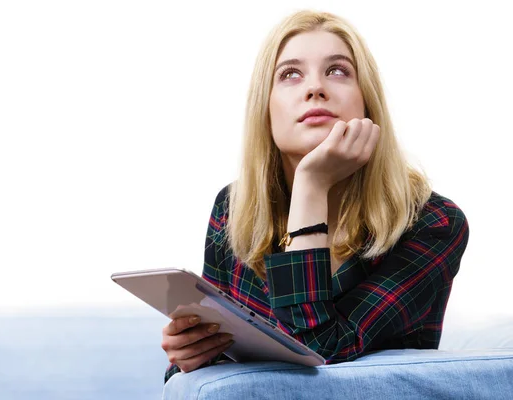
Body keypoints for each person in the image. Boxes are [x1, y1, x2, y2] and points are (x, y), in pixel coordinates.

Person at [161, 9, 470, 383]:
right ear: (266, 108)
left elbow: (323, 351)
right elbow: (213, 376)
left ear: (366, 103)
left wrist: (311, 183)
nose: (315, 88)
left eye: (338, 70)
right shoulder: (233, 209)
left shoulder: (433, 222)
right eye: (290, 74)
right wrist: (192, 357)